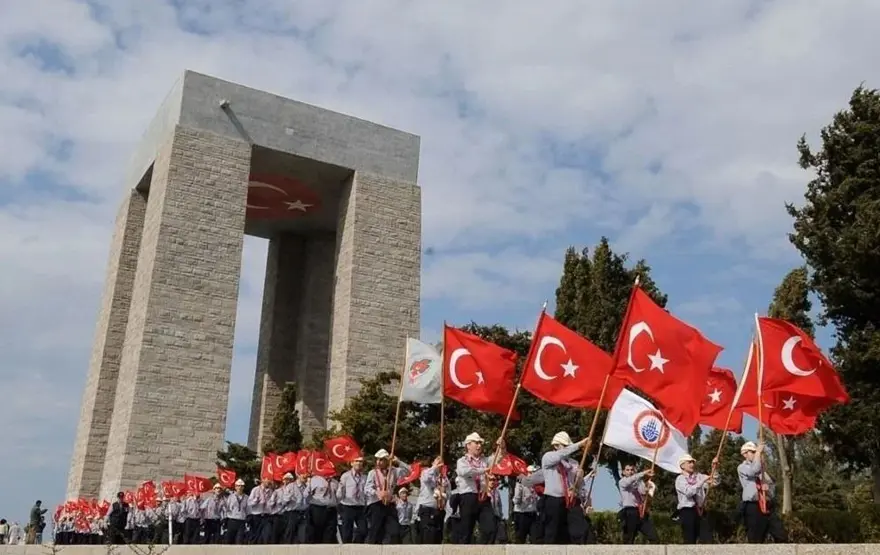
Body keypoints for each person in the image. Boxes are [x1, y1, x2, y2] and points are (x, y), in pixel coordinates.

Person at [540, 431, 591, 544]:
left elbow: (578, 484)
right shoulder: (548, 457)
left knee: (578, 530)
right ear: (556, 446)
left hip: (571, 500)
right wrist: (579, 444)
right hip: (554, 499)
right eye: (565, 446)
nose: (568, 449)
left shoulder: (573, 463)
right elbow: (561, 455)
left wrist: (579, 477)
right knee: (552, 532)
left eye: (568, 446)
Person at [454, 432, 505, 544]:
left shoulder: (485, 460)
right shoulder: (462, 461)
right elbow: (465, 472)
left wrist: (502, 447)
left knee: (490, 528)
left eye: (480, 443)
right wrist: (483, 470)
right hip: (468, 497)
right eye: (476, 443)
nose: (479, 445)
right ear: (468, 445)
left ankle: (485, 549)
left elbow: (498, 459)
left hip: (483, 496)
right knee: (466, 531)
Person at [738, 441, 787, 543]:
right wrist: (758, 453)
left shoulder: (762, 470)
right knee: (756, 538)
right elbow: (753, 471)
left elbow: (772, 485)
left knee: (781, 534)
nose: (755, 453)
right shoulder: (742, 467)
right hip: (753, 505)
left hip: (767, 504)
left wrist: (768, 489)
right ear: (744, 454)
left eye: (755, 452)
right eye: (752, 452)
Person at [364, 449, 410, 544]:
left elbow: (408, 471)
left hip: (389, 504)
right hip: (376, 504)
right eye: (377, 459)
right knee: (376, 531)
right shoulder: (373, 473)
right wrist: (377, 492)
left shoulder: (394, 471)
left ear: (387, 460)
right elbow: (367, 489)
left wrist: (398, 461)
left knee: (394, 530)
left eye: (381, 460)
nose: (378, 462)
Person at [675, 453, 720, 544]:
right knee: (690, 539)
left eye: (693, 462)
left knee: (707, 538)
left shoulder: (698, 476)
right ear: (682, 466)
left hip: (700, 510)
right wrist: (701, 482)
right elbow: (689, 492)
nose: (692, 464)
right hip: (687, 511)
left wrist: (714, 469)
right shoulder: (680, 479)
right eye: (689, 462)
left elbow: (714, 482)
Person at [618, 463, 659, 543]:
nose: (630, 472)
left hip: (640, 511)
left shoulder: (638, 481)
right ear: (623, 472)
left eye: (632, 470)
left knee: (653, 537)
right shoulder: (622, 482)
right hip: (630, 512)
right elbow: (630, 480)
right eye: (627, 470)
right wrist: (644, 473)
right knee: (629, 539)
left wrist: (647, 487)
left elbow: (643, 492)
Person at [337, 454, 368, 543]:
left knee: (363, 530)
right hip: (347, 506)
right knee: (347, 532)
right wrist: (340, 492)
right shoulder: (346, 476)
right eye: (356, 461)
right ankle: (347, 548)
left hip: (360, 506)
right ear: (351, 463)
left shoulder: (364, 477)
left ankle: (356, 544)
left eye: (360, 461)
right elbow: (340, 493)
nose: (359, 463)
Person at [415, 456, 447, 543]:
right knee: (428, 534)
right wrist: (434, 467)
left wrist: (443, 494)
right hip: (427, 508)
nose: (439, 464)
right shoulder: (426, 472)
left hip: (438, 509)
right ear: (433, 463)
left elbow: (448, 492)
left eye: (441, 462)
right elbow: (426, 478)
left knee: (437, 537)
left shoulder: (443, 478)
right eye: (437, 461)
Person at [512, 465, 540, 544]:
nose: (533, 475)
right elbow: (516, 499)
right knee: (520, 538)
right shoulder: (520, 483)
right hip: (522, 513)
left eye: (535, 473)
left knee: (536, 538)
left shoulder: (537, 485)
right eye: (531, 473)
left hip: (533, 513)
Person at [224, 479, 249, 544]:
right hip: (232, 521)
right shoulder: (231, 497)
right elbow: (226, 508)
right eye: (238, 486)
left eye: (241, 486)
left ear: (243, 487)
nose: (240, 487)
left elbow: (248, 510)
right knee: (229, 541)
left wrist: (248, 519)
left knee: (239, 541)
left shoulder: (246, 497)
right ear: (235, 487)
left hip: (241, 521)